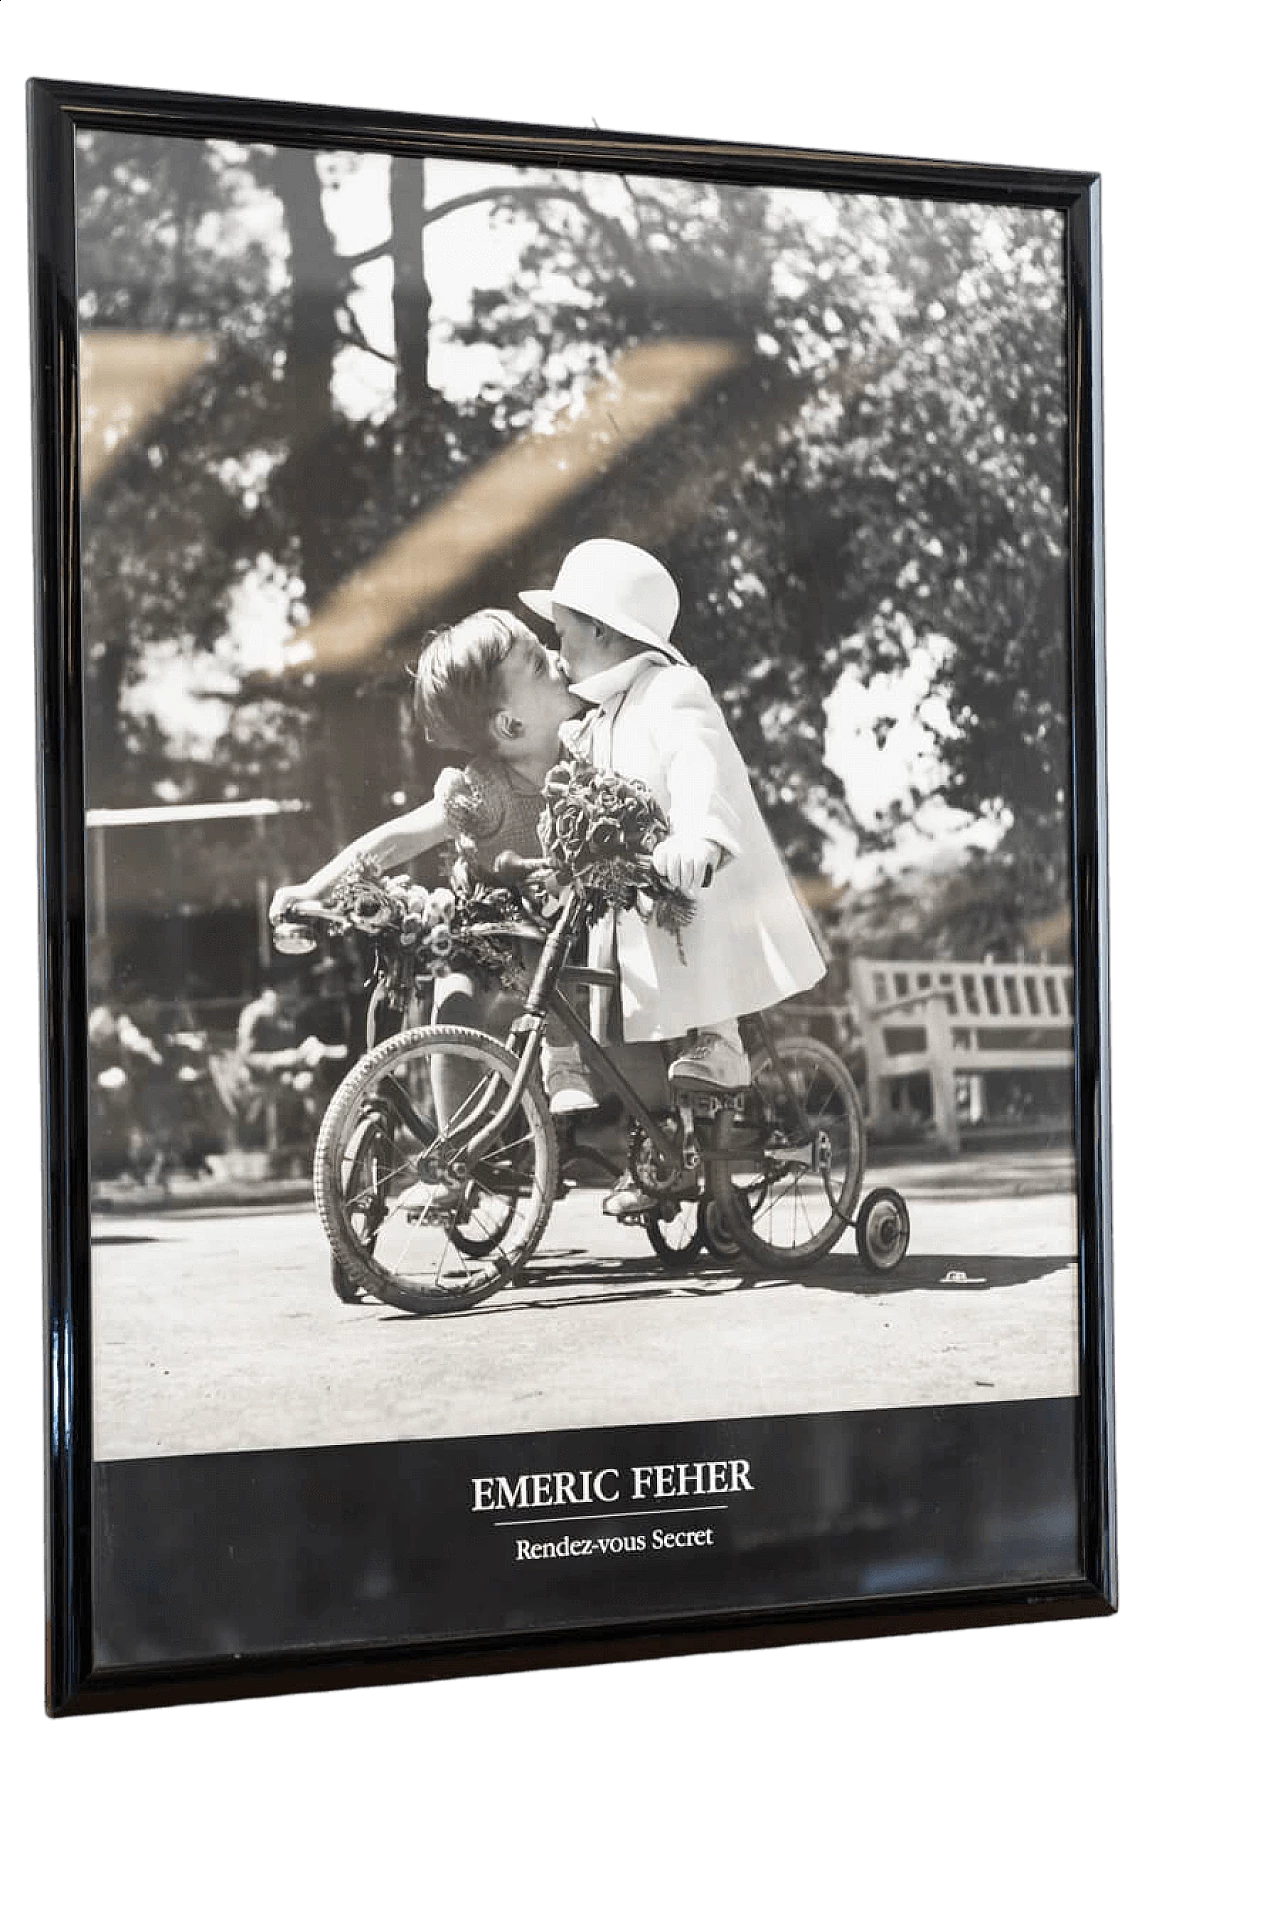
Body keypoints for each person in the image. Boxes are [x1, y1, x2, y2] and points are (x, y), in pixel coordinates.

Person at [519, 538, 827, 1214]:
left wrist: (701, 832)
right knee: (628, 1010)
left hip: (695, 870)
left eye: (562, 629)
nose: (557, 645)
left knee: (696, 951)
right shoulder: (594, 719)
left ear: (600, 628)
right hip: (638, 891)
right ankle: (667, 1157)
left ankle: (725, 1042)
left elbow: (698, 760)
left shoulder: (670, 689)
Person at [269, 610, 596, 1121]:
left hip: (562, 927)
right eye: (537, 663)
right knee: (451, 1008)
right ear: (510, 724)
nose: (557, 658)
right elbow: (397, 839)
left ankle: (566, 1068)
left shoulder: (587, 757)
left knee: (546, 957)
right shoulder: (484, 790)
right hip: (484, 928)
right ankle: (455, 1149)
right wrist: (314, 889)